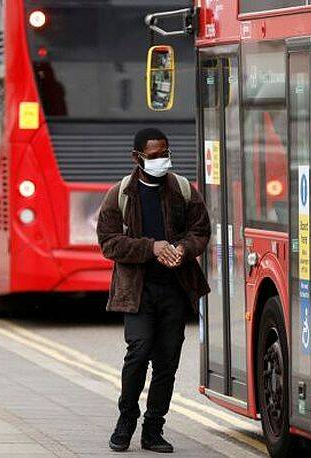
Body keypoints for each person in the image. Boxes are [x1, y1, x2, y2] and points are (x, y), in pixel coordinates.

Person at [96, 128, 211, 453]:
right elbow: (108, 243)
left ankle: (153, 429)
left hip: (174, 289)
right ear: (137, 158)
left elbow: (200, 230)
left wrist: (182, 249)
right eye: (155, 155)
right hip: (137, 292)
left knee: (167, 363)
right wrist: (153, 248)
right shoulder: (119, 194)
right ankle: (125, 422)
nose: (162, 160)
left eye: (165, 153)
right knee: (138, 352)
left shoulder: (184, 190)